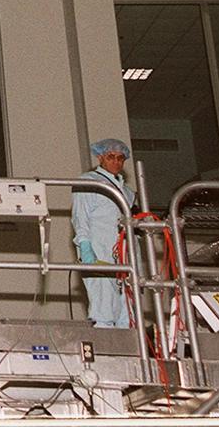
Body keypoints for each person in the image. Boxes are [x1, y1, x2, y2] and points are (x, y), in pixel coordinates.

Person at [71, 138, 136, 328]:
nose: (116, 161)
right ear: (100, 157)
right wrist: (84, 245)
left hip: (125, 254)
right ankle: (104, 348)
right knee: (103, 306)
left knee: (128, 308)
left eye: (120, 158)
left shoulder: (127, 192)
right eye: (111, 157)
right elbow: (79, 216)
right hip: (99, 251)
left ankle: (129, 350)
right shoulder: (89, 182)